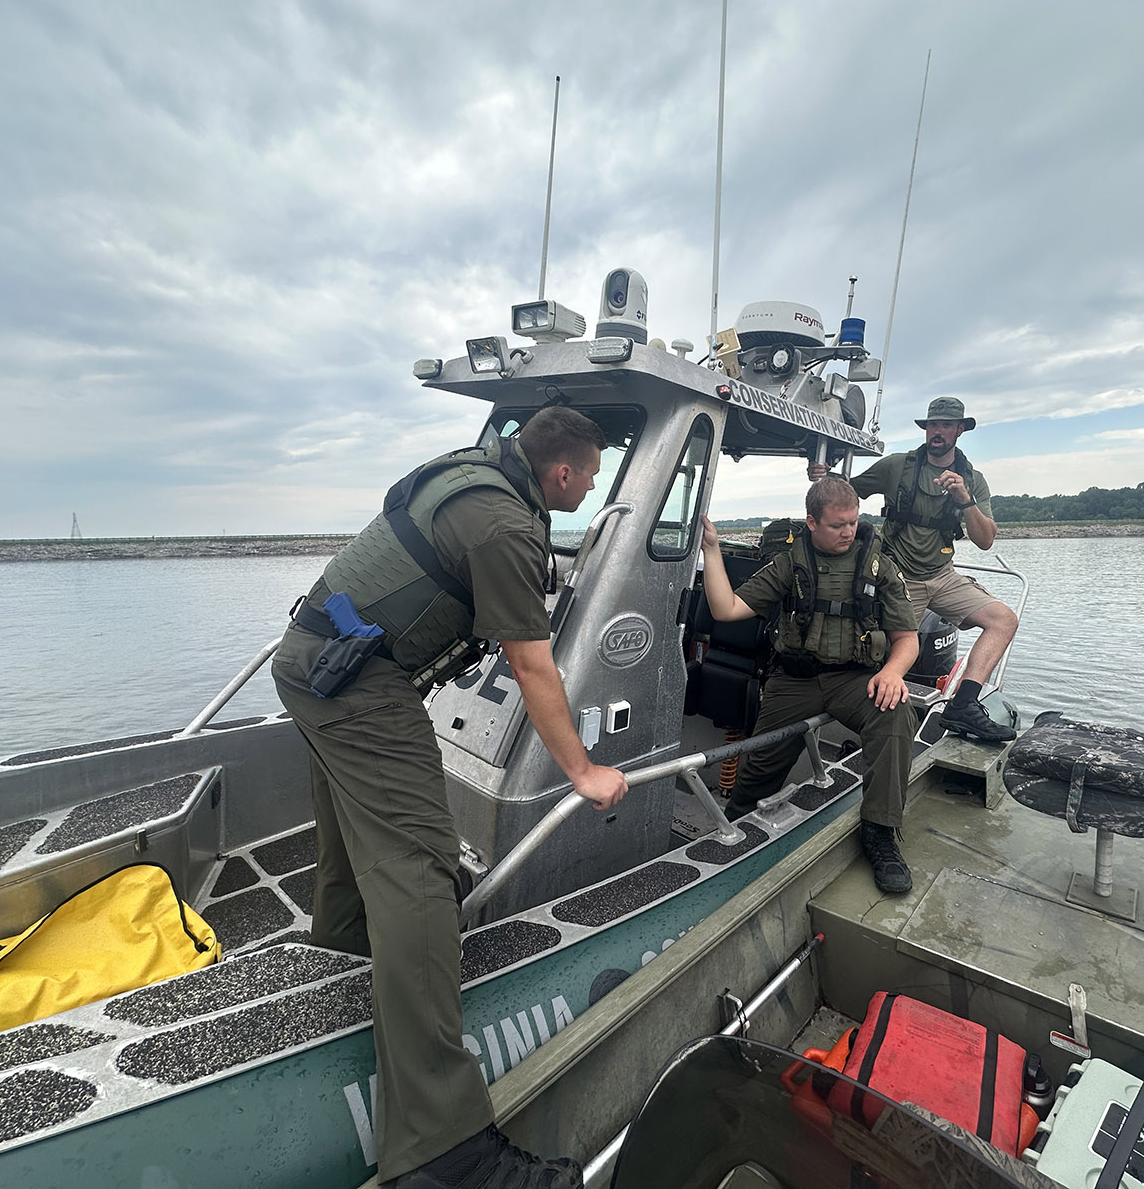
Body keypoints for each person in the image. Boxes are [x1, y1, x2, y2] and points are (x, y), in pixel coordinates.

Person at [272, 406, 627, 1189]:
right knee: (420, 869)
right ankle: (442, 1151)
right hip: (361, 684)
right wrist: (584, 772)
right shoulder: (505, 529)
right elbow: (534, 669)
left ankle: (338, 972)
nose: (595, 484)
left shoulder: (470, 480)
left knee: (351, 848)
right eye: (595, 472)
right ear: (562, 473)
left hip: (309, 662)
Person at [699, 475, 921, 894]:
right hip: (795, 679)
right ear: (812, 522)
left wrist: (892, 672)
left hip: (856, 679)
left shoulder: (878, 564)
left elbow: (907, 639)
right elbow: (725, 609)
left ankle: (880, 833)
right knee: (758, 766)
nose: (848, 531)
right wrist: (712, 549)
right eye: (838, 524)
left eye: (853, 522)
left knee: (896, 715)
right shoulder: (789, 562)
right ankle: (739, 823)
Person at [821, 395, 1019, 743]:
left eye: (945, 424)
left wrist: (965, 500)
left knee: (1004, 620)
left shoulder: (972, 479)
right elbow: (844, 493)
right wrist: (824, 477)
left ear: (960, 429)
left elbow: (985, 540)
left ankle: (964, 706)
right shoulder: (897, 466)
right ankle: (871, 725)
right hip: (898, 575)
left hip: (942, 576)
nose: (937, 431)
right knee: (887, 654)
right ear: (926, 429)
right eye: (932, 424)